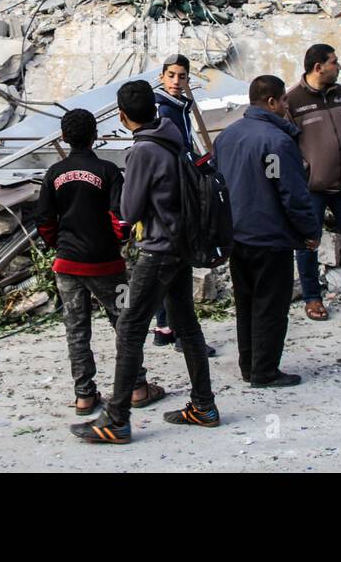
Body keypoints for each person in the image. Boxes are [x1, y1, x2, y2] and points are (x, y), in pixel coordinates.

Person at [71, 81, 219, 443]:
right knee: (187, 325)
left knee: (131, 328)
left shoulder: (143, 151)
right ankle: (204, 405)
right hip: (180, 244)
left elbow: (130, 209)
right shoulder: (173, 138)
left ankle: (116, 418)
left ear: (122, 117)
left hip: (158, 249)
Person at [36, 109, 166, 415]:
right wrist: (114, 242)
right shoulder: (108, 171)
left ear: (64, 137)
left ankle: (84, 396)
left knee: (76, 328)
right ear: (95, 136)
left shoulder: (54, 173)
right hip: (106, 264)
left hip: (67, 265)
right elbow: (120, 220)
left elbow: (43, 220)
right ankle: (137, 387)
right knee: (124, 323)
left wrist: (61, 245)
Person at [215, 75, 321, 387]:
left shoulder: (227, 137)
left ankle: (250, 365)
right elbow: (291, 193)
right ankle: (265, 370)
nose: (288, 107)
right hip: (269, 235)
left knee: (246, 303)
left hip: (236, 234)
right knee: (271, 305)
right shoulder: (277, 141)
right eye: (285, 101)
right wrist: (310, 231)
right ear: (273, 101)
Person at [285, 44, 341, 321]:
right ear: (318, 67)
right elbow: (287, 145)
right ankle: (313, 298)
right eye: (335, 62)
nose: (340, 67)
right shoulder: (293, 101)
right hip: (313, 188)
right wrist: (306, 172)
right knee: (308, 243)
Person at [149, 54, 216, 357]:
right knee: (178, 263)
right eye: (172, 76)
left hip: (171, 194)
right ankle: (181, 334)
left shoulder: (175, 107)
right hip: (175, 196)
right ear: (162, 77)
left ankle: (164, 327)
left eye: (182, 76)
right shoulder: (165, 110)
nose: (177, 81)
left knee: (170, 262)